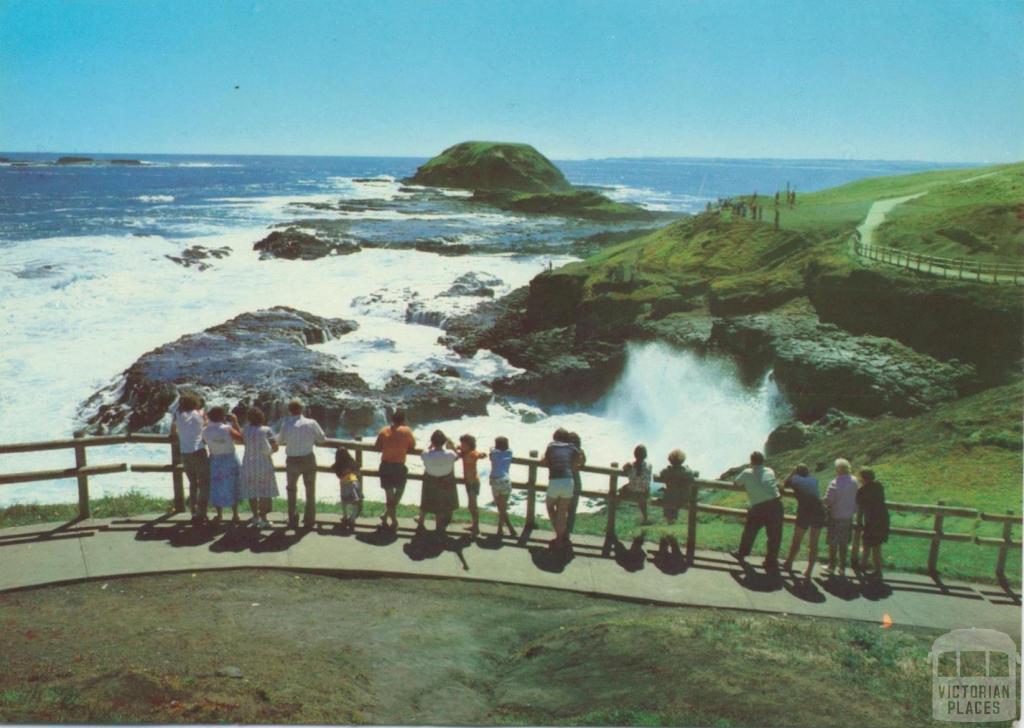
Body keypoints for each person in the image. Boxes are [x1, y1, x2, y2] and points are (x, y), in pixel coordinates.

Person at [275, 399, 326, 530]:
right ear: (302, 409)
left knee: (291, 489)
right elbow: (322, 439)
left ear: (289, 410)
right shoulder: (311, 423)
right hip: (308, 458)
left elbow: (279, 441)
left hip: (292, 460)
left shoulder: (286, 424)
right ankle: (309, 519)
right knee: (310, 489)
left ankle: (293, 518)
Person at [732, 451, 784, 571]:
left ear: (751, 461)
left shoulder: (746, 472)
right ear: (763, 461)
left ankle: (742, 553)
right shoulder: (770, 470)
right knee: (774, 536)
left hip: (759, 507)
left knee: (749, 531)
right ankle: (771, 561)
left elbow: (736, 483)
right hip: (775, 505)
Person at [781, 463, 826, 580]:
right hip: (819, 511)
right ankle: (809, 571)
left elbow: (783, 485)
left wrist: (791, 473)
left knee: (797, 539)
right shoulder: (814, 480)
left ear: (797, 472)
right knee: (814, 542)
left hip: (805, 511)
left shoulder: (795, 479)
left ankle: (789, 562)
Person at [170, 392, 210, 524]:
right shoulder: (200, 414)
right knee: (204, 484)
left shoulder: (178, 415)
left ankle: (193, 510)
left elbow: (173, 431)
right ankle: (202, 512)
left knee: (193, 483)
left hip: (185, 452)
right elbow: (207, 426)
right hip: (199, 450)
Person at [375, 410, 416, 532]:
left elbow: (377, 446)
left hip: (386, 466)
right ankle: (393, 521)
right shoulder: (407, 431)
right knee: (400, 491)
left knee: (389, 496)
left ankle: (387, 515)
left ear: (392, 419)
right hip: (399, 466)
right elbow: (412, 446)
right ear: (403, 420)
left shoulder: (383, 431)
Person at [239, 407, 279, 528]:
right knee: (264, 492)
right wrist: (270, 451)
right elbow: (275, 447)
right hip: (263, 464)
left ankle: (255, 516)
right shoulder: (266, 430)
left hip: (248, 463)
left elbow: (243, 442)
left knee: (252, 491)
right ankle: (264, 519)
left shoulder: (245, 430)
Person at [202, 406, 243, 523]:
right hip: (230, 459)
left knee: (216, 487)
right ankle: (235, 514)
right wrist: (235, 422)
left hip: (215, 460)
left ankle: (219, 515)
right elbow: (241, 438)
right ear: (223, 417)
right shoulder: (227, 429)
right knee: (233, 486)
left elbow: (204, 441)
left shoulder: (205, 430)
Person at [540, 428, 579, 549]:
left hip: (555, 480)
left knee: (550, 506)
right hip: (569, 481)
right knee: (562, 511)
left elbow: (543, 461)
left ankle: (558, 535)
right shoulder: (573, 448)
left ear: (555, 438)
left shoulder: (551, 446)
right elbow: (579, 461)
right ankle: (560, 539)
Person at [824, 458, 859, 578]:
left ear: (838, 469)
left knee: (833, 542)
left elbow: (829, 500)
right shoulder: (854, 481)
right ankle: (842, 567)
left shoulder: (835, 482)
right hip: (848, 516)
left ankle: (831, 566)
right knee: (844, 543)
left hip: (836, 515)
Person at [420, 430, 459, 537]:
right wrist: (452, 446)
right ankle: (439, 527)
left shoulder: (426, 454)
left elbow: (424, 452)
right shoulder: (450, 454)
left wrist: (430, 446)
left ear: (432, 441)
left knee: (425, 502)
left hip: (430, 480)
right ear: (444, 442)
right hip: (445, 481)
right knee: (440, 504)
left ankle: (420, 523)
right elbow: (457, 456)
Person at [857, 468, 890, 578]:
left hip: (871, 520)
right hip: (882, 519)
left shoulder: (863, 490)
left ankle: (862, 566)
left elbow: (858, 501)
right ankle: (878, 569)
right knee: (877, 546)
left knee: (867, 544)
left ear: (863, 478)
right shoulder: (878, 486)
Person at [456, 434, 487, 535]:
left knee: (473, 505)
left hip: (473, 482)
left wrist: (482, 455)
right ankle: (474, 526)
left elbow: (478, 455)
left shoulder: (472, 453)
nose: (461, 445)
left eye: (463, 443)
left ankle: (476, 527)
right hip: (468, 482)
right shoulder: (464, 453)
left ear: (469, 445)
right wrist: (456, 447)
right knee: (470, 506)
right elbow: (458, 451)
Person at [658, 449, 699, 525]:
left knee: (668, 493)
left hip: (671, 499)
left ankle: (670, 521)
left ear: (670, 460)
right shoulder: (687, 472)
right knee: (675, 494)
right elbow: (692, 474)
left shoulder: (667, 472)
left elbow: (661, 473)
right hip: (683, 499)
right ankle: (672, 521)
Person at [489, 436, 516, 538]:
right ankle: (506, 528)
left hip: (495, 480)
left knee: (500, 507)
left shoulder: (494, 453)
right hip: (505, 480)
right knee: (503, 507)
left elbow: (491, 452)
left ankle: (504, 528)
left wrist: (492, 448)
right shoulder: (509, 452)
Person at [621, 445, 654, 525]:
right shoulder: (649, 466)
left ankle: (614, 507)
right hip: (644, 494)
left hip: (632, 493)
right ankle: (645, 517)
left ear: (634, 454)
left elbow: (624, 468)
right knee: (643, 488)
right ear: (645, 455)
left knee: (623, 488)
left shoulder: (630, 466)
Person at [333, 447, 363, 528]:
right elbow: (358, 473)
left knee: (344, 501)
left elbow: (337, 473)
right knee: (355, 501)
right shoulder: (352, 462)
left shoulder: (337, 465)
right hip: (353, 481)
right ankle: (352, 518)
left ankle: (345, 516)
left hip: (343, 482)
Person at [566, 432, 586, 533]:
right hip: (576, 482)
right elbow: (583, 462)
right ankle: (568, 533)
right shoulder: (578, 454)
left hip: (565, 481)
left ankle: (560, 532)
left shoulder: (564, 453)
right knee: (572, 511)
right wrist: (581, 451)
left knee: (562, 508)